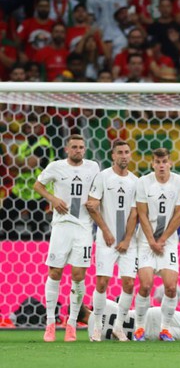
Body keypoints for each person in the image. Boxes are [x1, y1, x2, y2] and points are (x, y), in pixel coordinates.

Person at [34, 134, 100, 342]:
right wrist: (53, 199)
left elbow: (97, 193)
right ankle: (50, 323)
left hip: (83, 228)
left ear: (84, 149)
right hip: (61, 227)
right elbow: (38, 185)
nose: (78, 150)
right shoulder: (56, 167)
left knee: (79, 275)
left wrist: (95, 203)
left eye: (81, 147)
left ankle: (71, 324)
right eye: (74, 147)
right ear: (66, 149)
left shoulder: (93, 167)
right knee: (55, 271)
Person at [86, 140, 139, 342]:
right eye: (120, 152)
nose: (124, 156)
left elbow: (135, 213)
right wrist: (106, 231)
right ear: (113, 156)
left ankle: (118, 327)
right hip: (105, 240)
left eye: (127, 152)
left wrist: (126, 239)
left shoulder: (136, 181)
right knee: (102, 282)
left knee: (128, 283)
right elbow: (92, 205)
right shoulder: (103, 177)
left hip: (128, 242)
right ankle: (98, 325)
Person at [134, 148, 180, 342]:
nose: (161, 165)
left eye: (164, 161)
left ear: (170, 163)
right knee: (146, 285)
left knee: (171, 287)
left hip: (168, 242)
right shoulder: (144, 182)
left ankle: (165, 329)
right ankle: (139, 328)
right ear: (152, 164)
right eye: (157, 162)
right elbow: (142, 213)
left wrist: (163, 239)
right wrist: (151, 241)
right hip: (146, 241)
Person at [0, 117, 53, 240]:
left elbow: (27, 166)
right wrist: (18, 163)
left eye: (34, 127)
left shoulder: (43, 146)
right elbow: (13, 164)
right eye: (28, 127)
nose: (31, 130)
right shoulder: (23, 145)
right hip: (20, 190)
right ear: (24, 129)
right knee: (5, 216)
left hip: (37, 192)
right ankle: (13, 242)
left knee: (36, 225)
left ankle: (39, 251)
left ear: (40, 128)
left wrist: (17, 163)